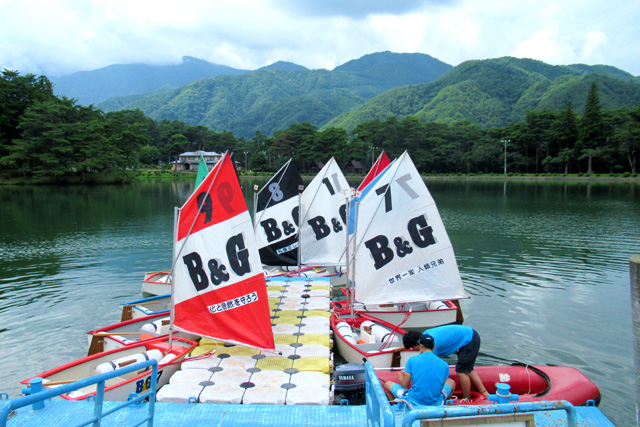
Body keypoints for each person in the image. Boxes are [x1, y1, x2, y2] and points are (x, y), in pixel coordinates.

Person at [403, 325, 489, 401]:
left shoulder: (433, 344)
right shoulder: (427, 338)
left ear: (418, 344)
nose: (413, 350)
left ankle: (466, 399)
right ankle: (485, 392)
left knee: (461, 372)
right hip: (468, 335)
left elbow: (432, 366)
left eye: (412, 347)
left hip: (469, 339)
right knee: (468, 369)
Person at [383, 333, 455, 406]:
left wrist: (400, 377)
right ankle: (443, 404)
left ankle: (399, 408)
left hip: (414, 401)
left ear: (421, 346)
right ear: (433, 346)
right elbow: (441, 386)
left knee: (387, 384)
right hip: (436, 402)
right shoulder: (444, 364)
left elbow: (405, 385)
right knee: (451, 382)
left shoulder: (412, 360)